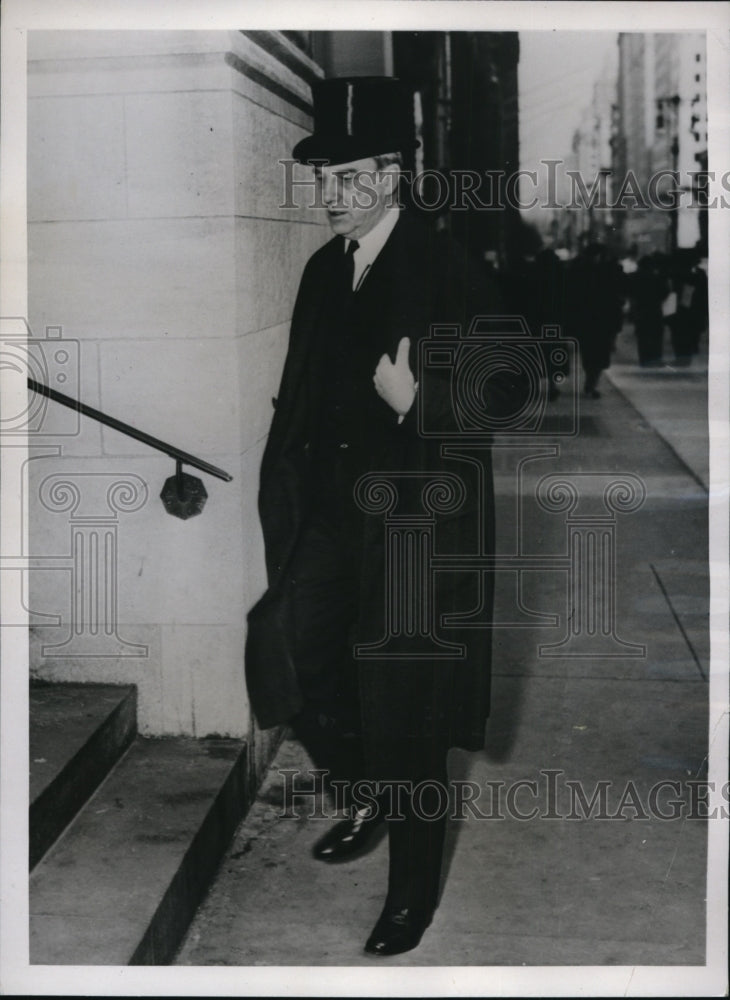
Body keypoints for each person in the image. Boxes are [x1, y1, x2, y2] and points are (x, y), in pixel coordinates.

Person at [245, 76, 522, 957]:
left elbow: (513, 386)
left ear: (392, 175)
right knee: (284, 640)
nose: (330, 195)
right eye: (322, 178)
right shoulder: (327, 268)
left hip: (414, 527)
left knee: (410, 705)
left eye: (347, 176)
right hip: (331, 519)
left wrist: (422, 397)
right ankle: (361, 787)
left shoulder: (449, 265)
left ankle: (411, 895)